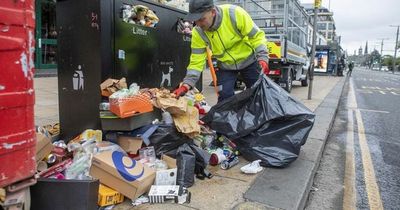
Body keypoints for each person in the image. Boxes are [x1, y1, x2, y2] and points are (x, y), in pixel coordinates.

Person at [173, 0, 269, 102]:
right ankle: (228, 117)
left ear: (213, 12)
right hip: (225, 66)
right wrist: (186, 85)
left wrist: (262, 56)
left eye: (201, 19)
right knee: (224, 95)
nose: (198, 24)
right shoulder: (198, 33)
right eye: (195, 20)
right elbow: (196, 62)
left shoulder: (235, 14)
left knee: (259, 92)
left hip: (249, 61)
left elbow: (256, 36)